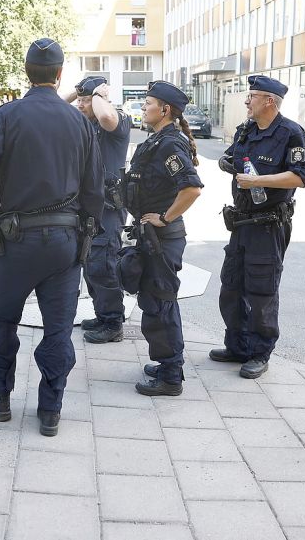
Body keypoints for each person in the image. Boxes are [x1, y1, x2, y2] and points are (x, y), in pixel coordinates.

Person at [0, 38, 104, 436]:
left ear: (28, 72)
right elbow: (95, 190)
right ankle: (50, 409)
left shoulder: (7, 115)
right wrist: (86, 232)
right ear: (60, 75)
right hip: (64, 242)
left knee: (1, 318)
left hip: (16, 239)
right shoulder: (80, 121)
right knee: (58, 329)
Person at [212, 76, 305, 379]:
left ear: (269, 101)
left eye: (251, 96)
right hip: (241, 221)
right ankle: (237, 346)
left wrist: (258, 181)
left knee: (261, 291)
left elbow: (300, 177)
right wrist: (227, 164)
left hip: (268, 224)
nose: (246, 101)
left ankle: (259, 352)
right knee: (231, 286)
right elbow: (230, 157)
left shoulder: (290, 133)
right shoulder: (247, 129)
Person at [124, 81, 203, 396]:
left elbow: (192, 188)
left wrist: (165, 217)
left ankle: (171, 376)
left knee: (161, 303)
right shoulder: (159, 140)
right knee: (153, 302)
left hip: (162, 237)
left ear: (165, 110)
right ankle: (166, 362)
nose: (143, 108)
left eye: (148, 103)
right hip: (151, 236)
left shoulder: (170, 144)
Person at [62, 76, 131, 344]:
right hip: (87, 206)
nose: (80, 105)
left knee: (103, 265)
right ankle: (103, 315)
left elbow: (106, 119)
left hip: (109, 208)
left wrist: (99, 97)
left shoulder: (117, 119)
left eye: (85, 101)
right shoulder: (83, 121)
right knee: (91, 265)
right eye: (79, 100)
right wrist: (78, 93)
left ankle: (113, 323)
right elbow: (57, 107)